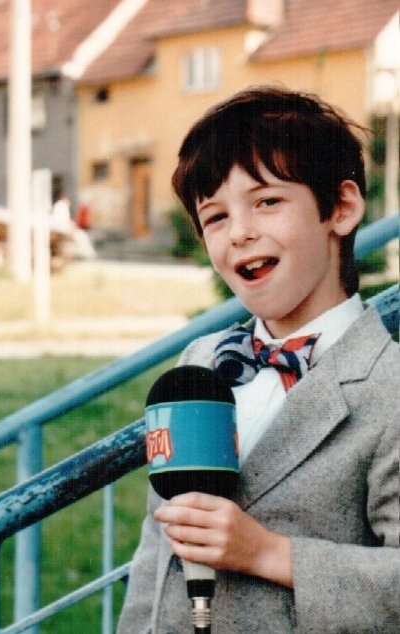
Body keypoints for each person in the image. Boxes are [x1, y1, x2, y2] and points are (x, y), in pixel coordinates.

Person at [117, 86, 399, 632]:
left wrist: (271, 553)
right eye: (215, 216)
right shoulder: (199, 363)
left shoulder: (389, 386)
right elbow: (157, 549)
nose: (240, 232)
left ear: (341, 208)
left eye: (267, 201)